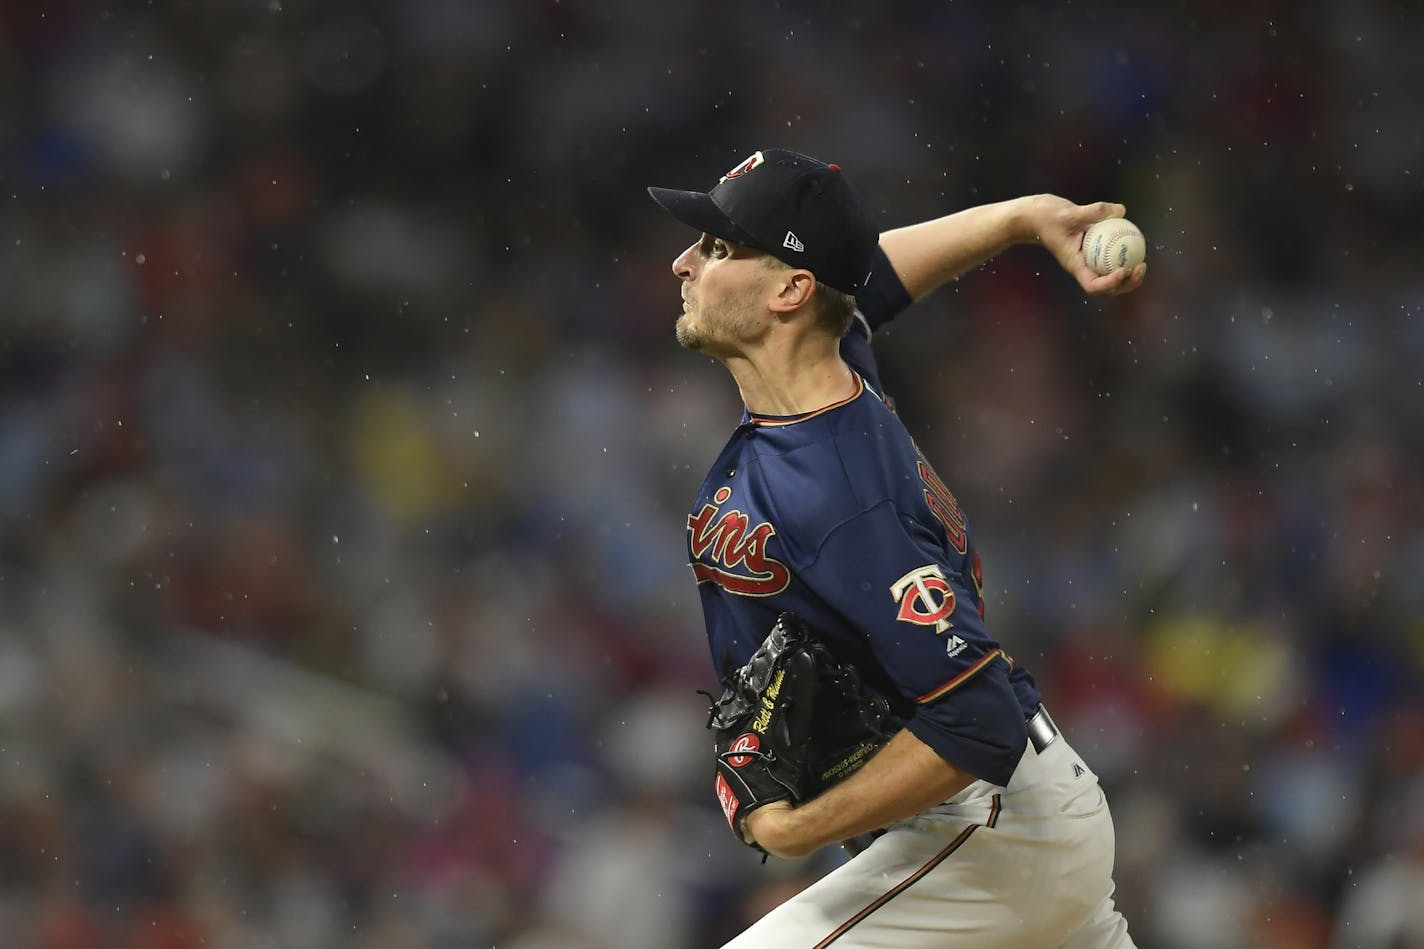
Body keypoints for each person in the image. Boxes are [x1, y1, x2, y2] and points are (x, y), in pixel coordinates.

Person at [647, 148, 1146, 948]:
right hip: (1016, 829)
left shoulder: (841, 496)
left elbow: (980, 722)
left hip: (991, 832)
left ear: (788, 291)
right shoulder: (833, 361)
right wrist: (1018, 219)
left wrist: (800, 827)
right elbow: (866, 277)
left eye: (715, 247)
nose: (684, 262)